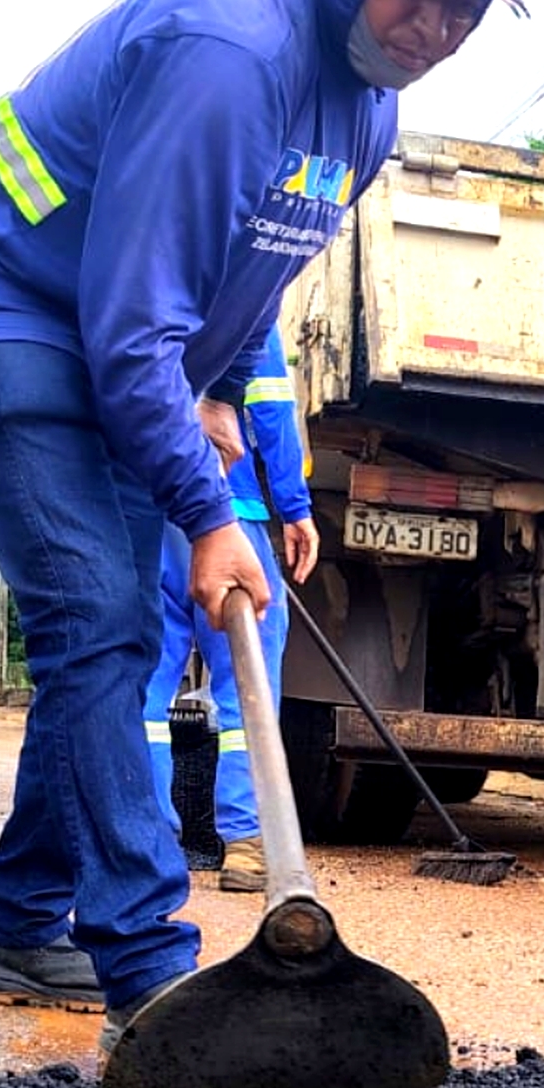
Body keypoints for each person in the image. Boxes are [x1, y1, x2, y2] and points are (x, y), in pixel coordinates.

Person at [0, 0, 533, 1040]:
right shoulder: (230, 51)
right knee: (100, 618)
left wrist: (223, 391)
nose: (439, 28)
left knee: (107, 639)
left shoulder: (369, 109)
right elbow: (133, 333)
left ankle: (20, 921)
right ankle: (151, 972)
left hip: (109, 335)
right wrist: (203, 507)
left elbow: (256, 267)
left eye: (470, 8)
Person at [141, 324, 317, 895]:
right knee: (250, 684)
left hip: (147, 516)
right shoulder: (246, 300)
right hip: (227, 516)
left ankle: (149, 840)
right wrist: (293, 506)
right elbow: (270, 408)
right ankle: (246, 844)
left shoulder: (140, 287)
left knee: (144, 686)